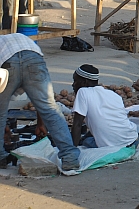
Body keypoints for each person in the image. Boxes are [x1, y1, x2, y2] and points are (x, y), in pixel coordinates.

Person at [0, 34, 80, 171]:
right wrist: (41, 123)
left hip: (8, 63)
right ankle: (70, 158)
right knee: (50, 108)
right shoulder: (16, 38)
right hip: (34, 59)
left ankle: (1, 158)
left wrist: (4, 123)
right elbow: (39, 100)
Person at [71, 65, 139, 148]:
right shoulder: (113, 95)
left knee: (86, 142)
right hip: (131, 139)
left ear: (84, 82)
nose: (73, 85)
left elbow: (77, 124)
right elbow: (106, 122)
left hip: (112, 146)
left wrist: (71, 150)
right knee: (87, 138)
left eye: (75, 81)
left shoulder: (83, 92)